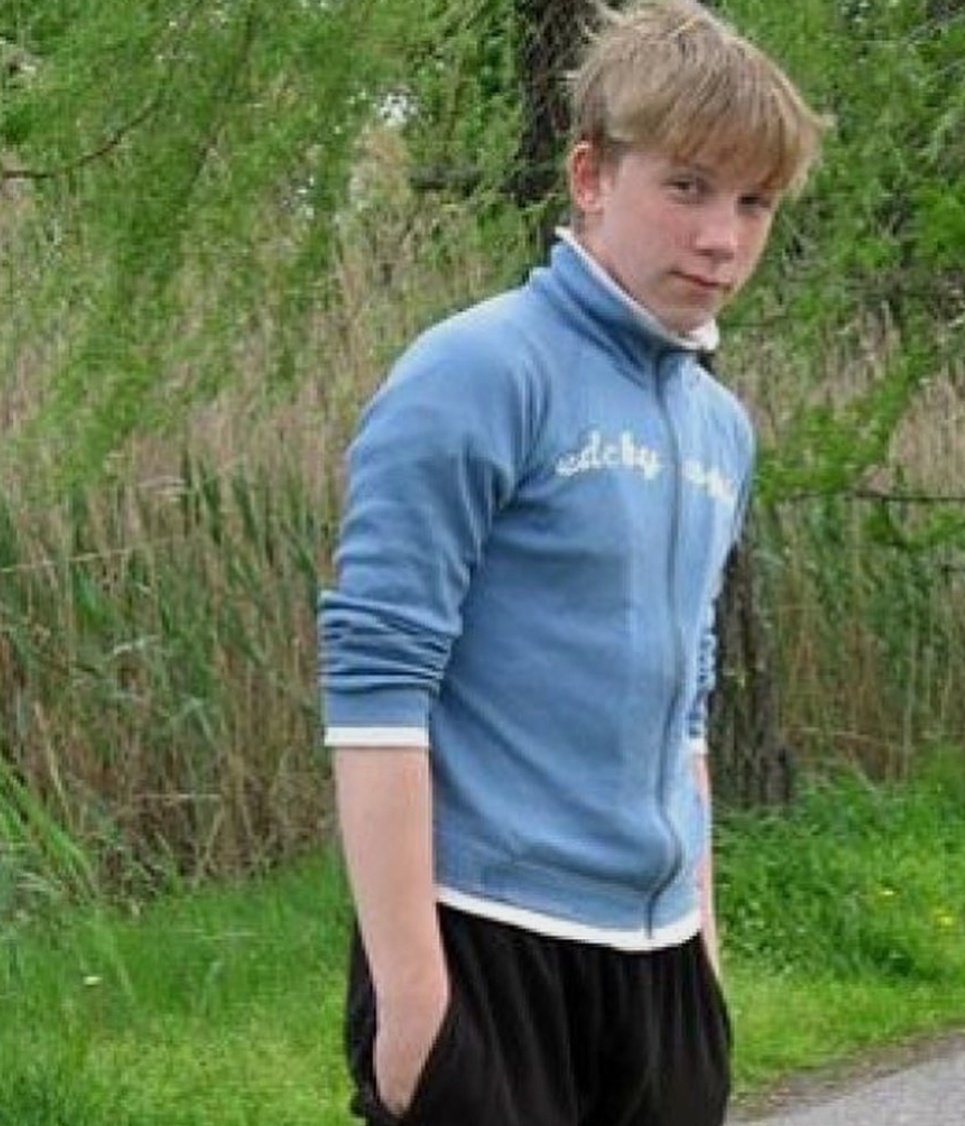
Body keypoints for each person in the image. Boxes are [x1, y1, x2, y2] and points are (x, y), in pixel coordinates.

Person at [318, 2, 825, 1122]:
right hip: (486, 942)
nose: (721, 237)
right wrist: (414, 1003)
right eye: (686, 186)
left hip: (659, 964)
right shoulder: (477, 371)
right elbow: (376, 688)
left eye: (753, 202)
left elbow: (685, 707)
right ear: (589, 176)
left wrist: (701, 950)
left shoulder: (718, 429)